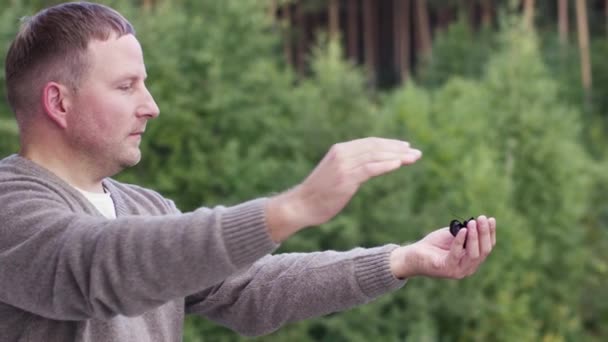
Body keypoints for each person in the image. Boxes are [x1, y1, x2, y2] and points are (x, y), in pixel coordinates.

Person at [0, 2, 497, 341]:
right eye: (126, 87)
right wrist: (293, 208)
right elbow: (102, 267)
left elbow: (251, 289)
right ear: (58, 103)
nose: (151, 106)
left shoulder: (147, 209)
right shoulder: (10, 206)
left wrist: (401, 260)